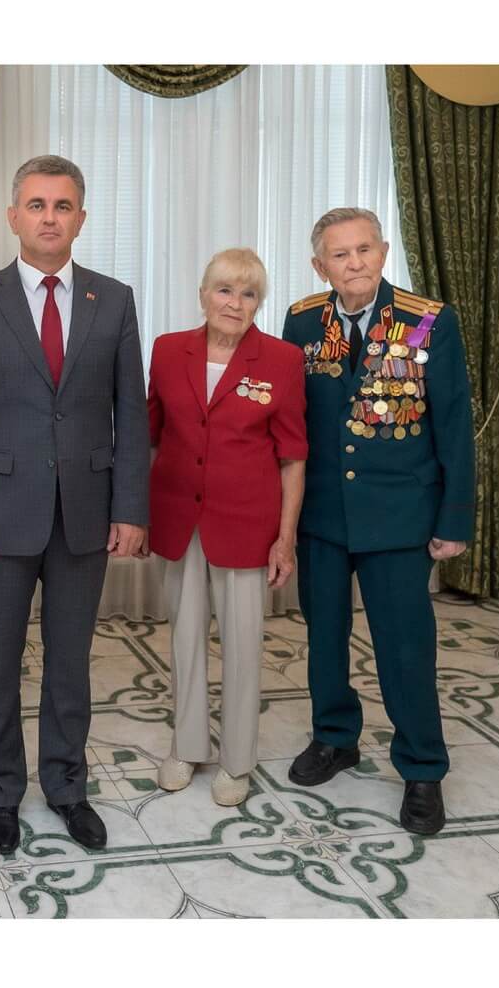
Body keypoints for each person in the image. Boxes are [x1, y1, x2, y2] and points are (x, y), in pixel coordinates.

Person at [0, 155, 150, 855]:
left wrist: (130, 508)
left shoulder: (113, 299)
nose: (49, 218)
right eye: (36, 205)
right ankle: (2, 793)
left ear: (80, 219)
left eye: (62, 206)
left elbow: (130, 413)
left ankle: (66, 788)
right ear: (13, 217)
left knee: (69, 664)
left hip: (85, 514)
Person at [281, 207, 474, 835]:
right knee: (324, 636)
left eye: (364, 249)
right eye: (340, 254)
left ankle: (423, 768)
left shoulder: (428, 321)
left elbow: (454, 423)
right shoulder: (303, 322)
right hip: (322, 514)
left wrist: (454, 518)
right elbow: (290, 424)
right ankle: (335, 737)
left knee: (405, 646)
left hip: (399, 515)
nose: (355, 263)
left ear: (384, 252)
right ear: (321, 266)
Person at [147, 248, 307, 806]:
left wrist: (285, 538)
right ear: (203, 294)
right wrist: (138, 513)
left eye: (248, 293)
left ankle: (237, 760)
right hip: (178, 518)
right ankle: (187, 745)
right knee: (184, 638)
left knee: (242, 646)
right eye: (224, 290)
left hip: (246, 524)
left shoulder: (282, 360)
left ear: (258, 303)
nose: (234, 303)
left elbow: (293, 457)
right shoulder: (168, 350)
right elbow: (151, 436)